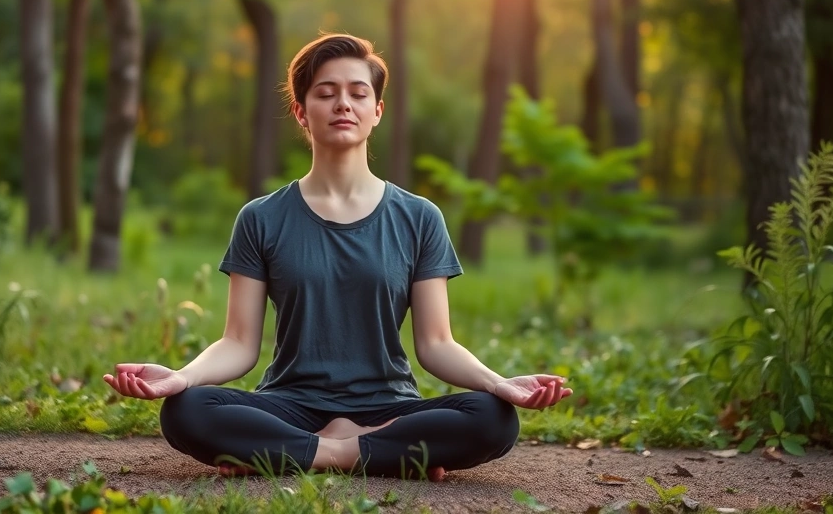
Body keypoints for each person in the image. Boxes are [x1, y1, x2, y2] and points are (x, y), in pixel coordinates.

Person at [104, 33, 573, 481]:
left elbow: (436, 345)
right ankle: (373, 454)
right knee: (187, 410)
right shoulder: (261, 218)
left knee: (493, 419)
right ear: (302, 112)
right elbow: (239, 344)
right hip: (289, 404)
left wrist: (498, 384)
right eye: (326, 93)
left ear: (377, 111)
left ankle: (294, 452)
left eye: (358, 93)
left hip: (388, 407)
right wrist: (181, 379)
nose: (343, 104)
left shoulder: (420, 218)